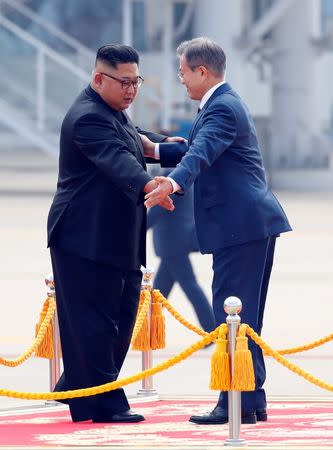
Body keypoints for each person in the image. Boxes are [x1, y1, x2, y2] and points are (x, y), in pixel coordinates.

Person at [142, 37, 292, 425]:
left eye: (183, 73)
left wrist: (171, 184)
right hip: (248, 224)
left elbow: (201, 152)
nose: (182, 81)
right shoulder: (223, 104)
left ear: (202, 72)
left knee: (230, 313)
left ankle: (232, 401)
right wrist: (155, 151)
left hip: (239, 227)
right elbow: (197, 146)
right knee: (246, 318)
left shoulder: (221, 108)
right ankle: (251, 399)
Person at [47, 44, 182, 424]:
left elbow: (142, 142)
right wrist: (151, 186)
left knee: (121, 316)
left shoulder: (114, 112)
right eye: (124, 82)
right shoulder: (88, 118)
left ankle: (76, 383)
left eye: (135, 81)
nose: (131, 89)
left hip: (113, 235)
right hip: (83, 236)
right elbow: (119, 161)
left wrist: (184, 150)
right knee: (96, 320)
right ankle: (105, 402)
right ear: (98, 79)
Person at [147, 168, 215, 332]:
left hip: (173, 244)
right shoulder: (183, 175)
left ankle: (212, 329)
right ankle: (146, 330)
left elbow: (155, 212)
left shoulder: (172, 178)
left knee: (189, 287)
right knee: (159, 292)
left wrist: (133, 230)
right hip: (174, 244)